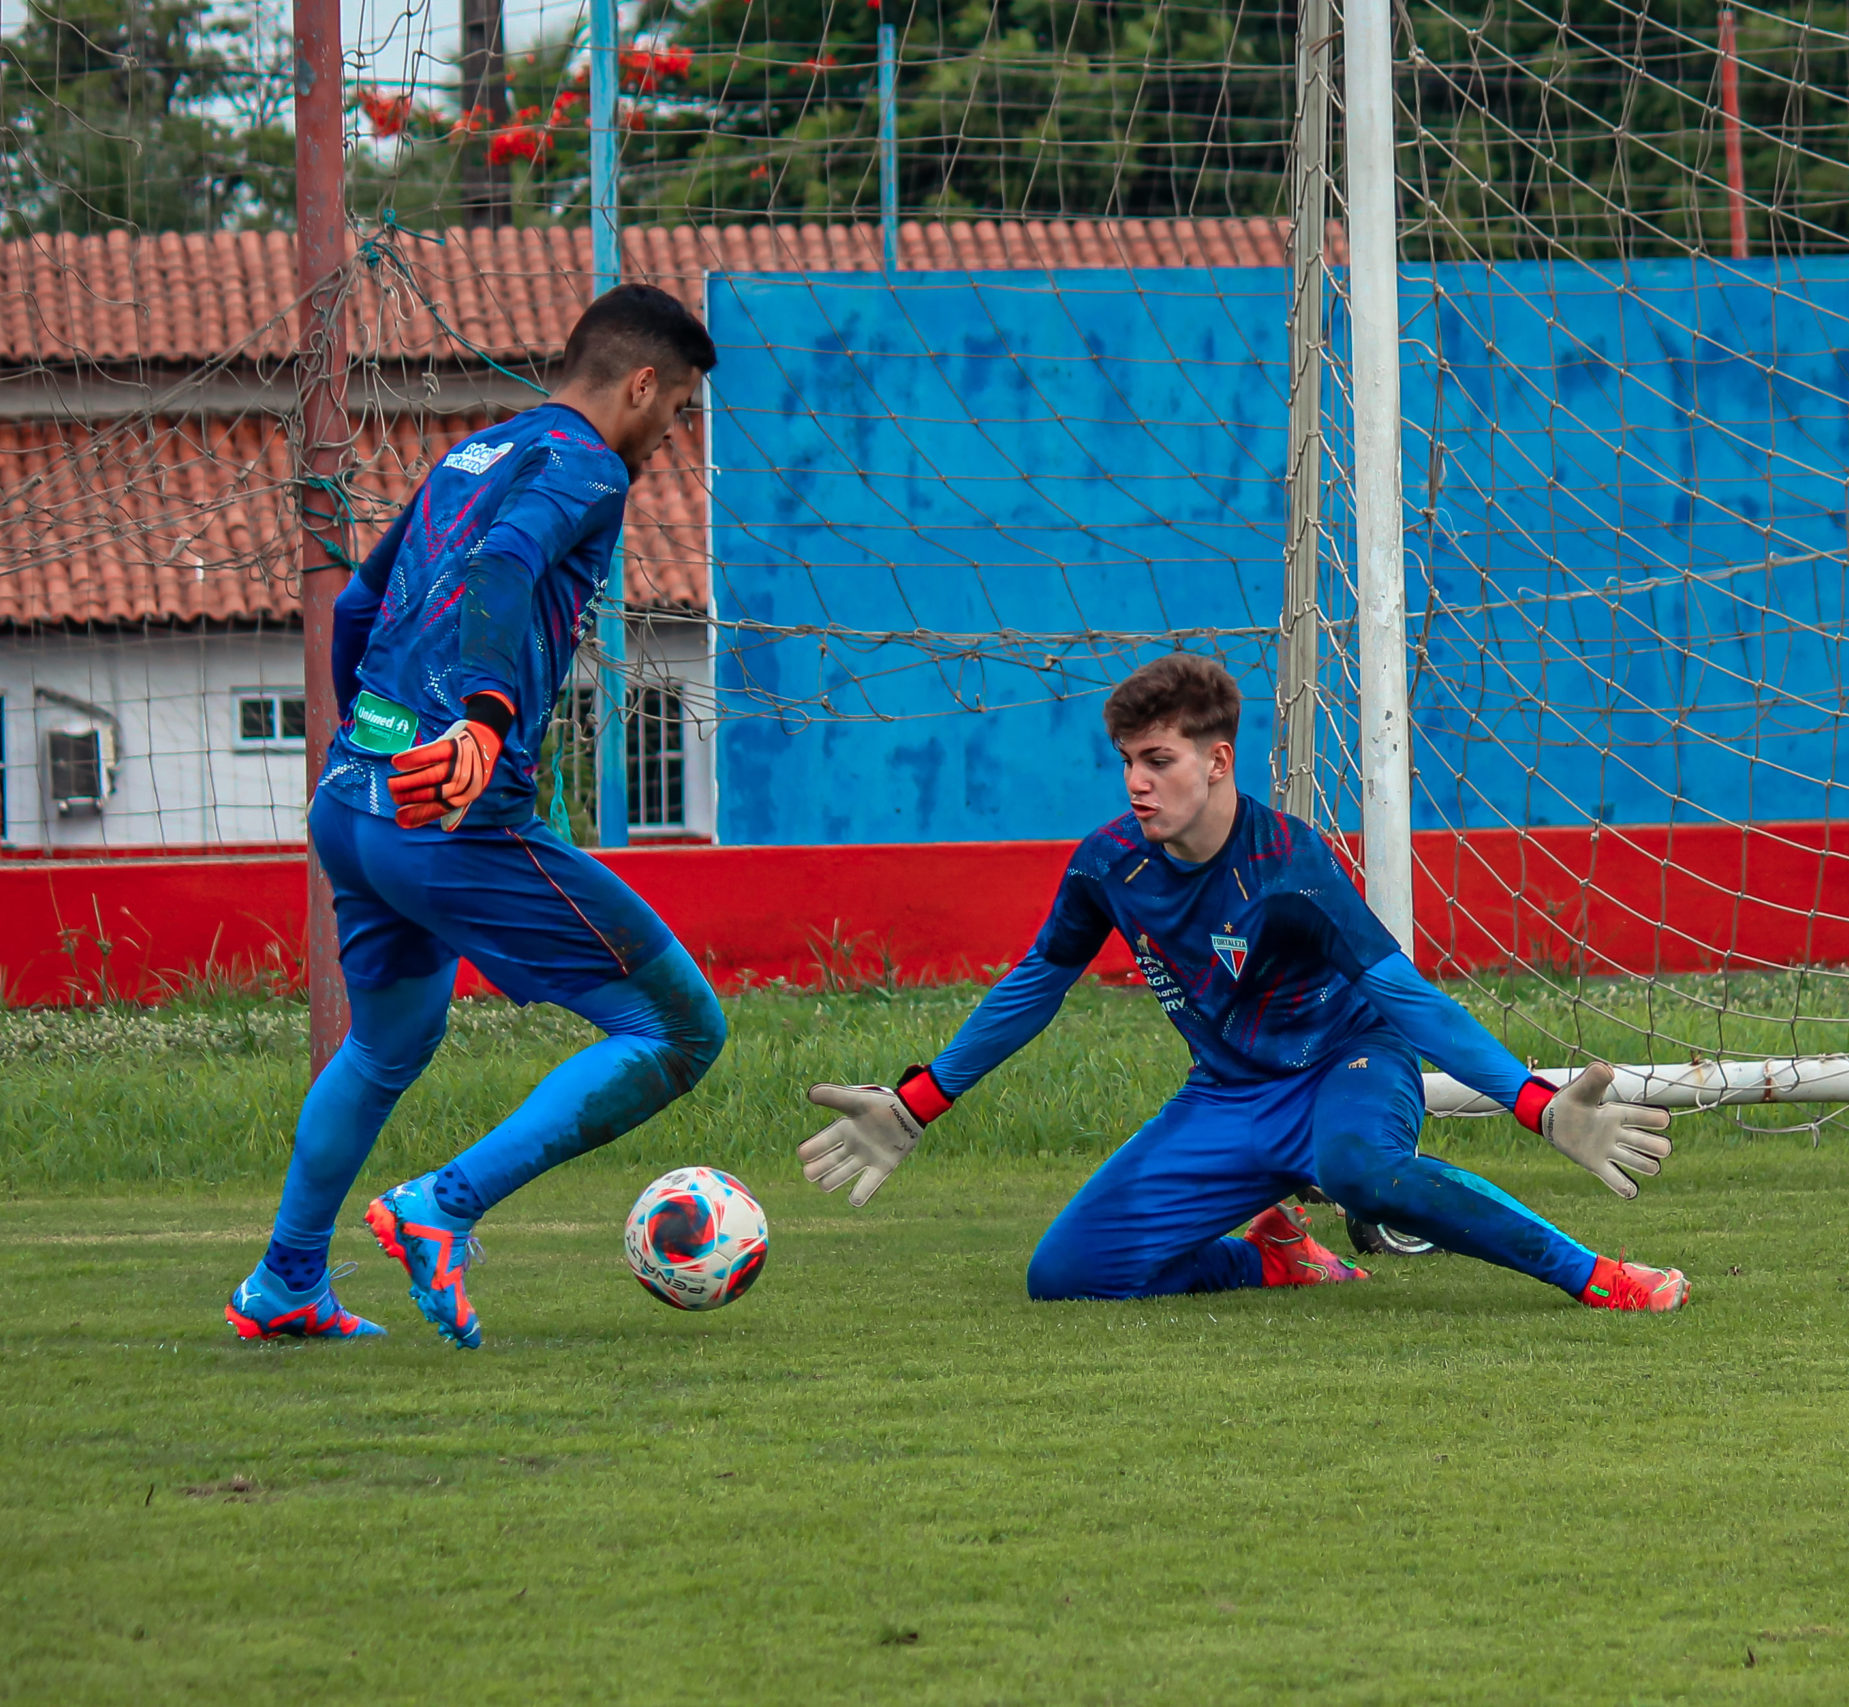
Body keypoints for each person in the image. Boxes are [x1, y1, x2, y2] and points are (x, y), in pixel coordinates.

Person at [798, 654, 1687, 1310]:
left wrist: (1536, 1104)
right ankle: (1273, 1256)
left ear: (1218, 760)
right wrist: (917, 1102)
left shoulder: (1288, 864)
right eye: (1127, 762)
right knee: (1064, 1277)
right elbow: (1036, 984)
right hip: (1224, 1096)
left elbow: (1408, 997)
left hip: (1347, 1067)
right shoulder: (1109, 865)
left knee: (1359, 1166)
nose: (1136, 784)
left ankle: (1597, 1277)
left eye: (1158, 761)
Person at [225, 284, 726, 1349]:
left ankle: (285, 1283)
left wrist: (376, 741)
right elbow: (504, 568)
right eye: (677, 410)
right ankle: (439, 1207)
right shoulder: (589, 468)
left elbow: (358, 608)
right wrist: (484, 722)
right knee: (680, 1027)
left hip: (355, 808)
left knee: (385, 1044)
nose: (670, 436)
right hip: (453, 823)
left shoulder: (469, 457)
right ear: (641, 383)